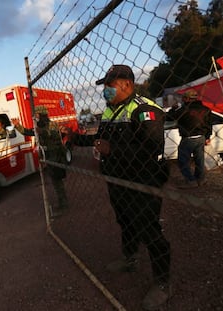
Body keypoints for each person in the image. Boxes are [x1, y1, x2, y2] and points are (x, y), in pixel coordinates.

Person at [72, 64, 171, 310]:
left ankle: (162, 283)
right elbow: (101, 140)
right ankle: (130, 258)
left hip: (142, 181)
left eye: (109, 85)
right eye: (104, 85)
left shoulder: (144, 109)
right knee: (125, 221)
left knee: (149, 230)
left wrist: (112, 150)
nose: (105, 90)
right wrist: (74, 138)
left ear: (126, 84)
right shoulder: (109, 112)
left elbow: (152, 148)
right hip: (117, 181)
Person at [11, 106, 69, 215]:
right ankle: (62, 201)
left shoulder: (51, 124)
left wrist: (40, 131)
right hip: (48, 156)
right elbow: (28, 132)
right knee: (54, 181)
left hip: (56, 156)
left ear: (42, 115)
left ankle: (64, 203)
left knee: (57, 180)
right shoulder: (39, 126)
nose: (35, 117)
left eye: (37, 115)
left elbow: (54, 134)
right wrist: (17, 126)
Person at [167, 89, 212, 188]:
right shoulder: (206, 109)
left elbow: (169, 118)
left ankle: (191, 180)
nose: (182, 100)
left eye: (183, 98)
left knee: (182, 161)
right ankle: (200, 179)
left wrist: (173, 108)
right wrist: (208, 137)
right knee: (199, 160)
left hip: (188, 138)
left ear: (187, 98)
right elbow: (209, 124)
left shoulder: (183, 110)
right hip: (201, 138)